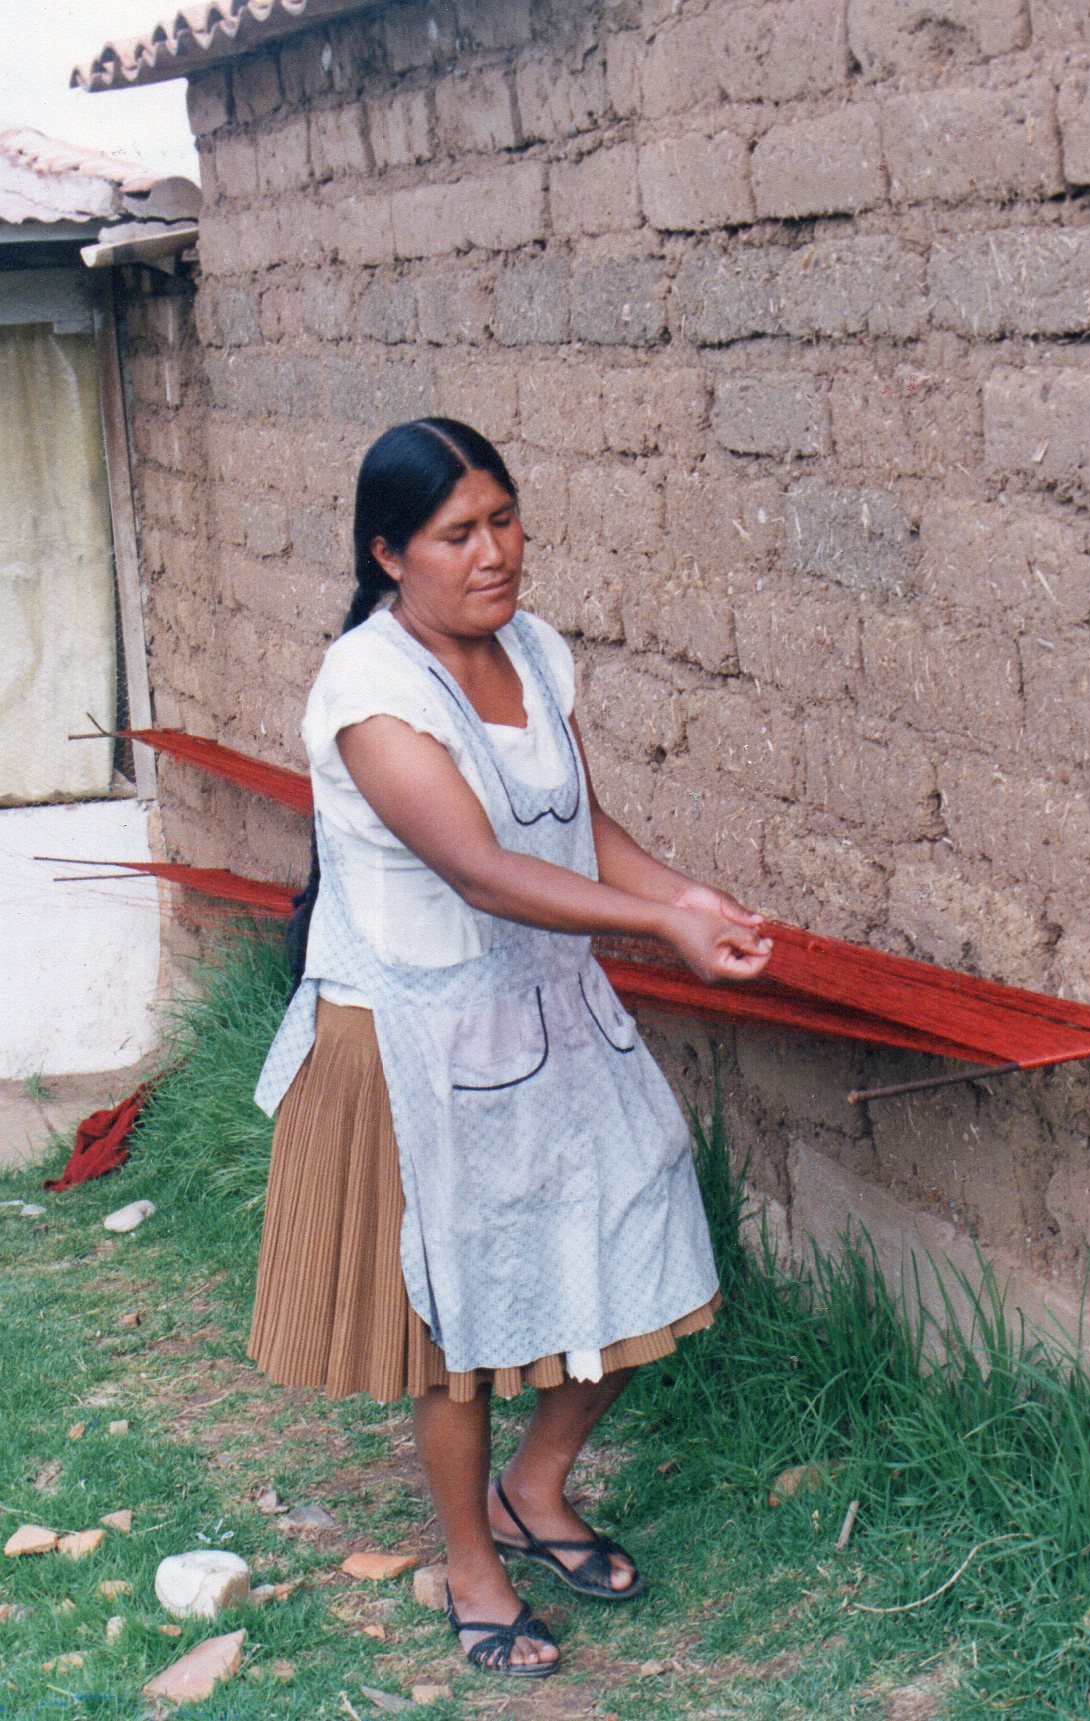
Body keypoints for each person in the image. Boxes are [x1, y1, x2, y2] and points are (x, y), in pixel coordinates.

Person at [248, 418, 772, 1678]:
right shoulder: (369, 689)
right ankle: (471, 1565)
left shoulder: (533, 651)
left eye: (505, 517)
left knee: (649, 1242)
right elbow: (481, 868)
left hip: (549, 1013)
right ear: (389, 553)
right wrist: (655, 924)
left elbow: (578, 828)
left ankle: (534, 1489)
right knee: (460, 1325)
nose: (494, 552)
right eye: (456, 533)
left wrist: (687, 895)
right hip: (417, 1038)